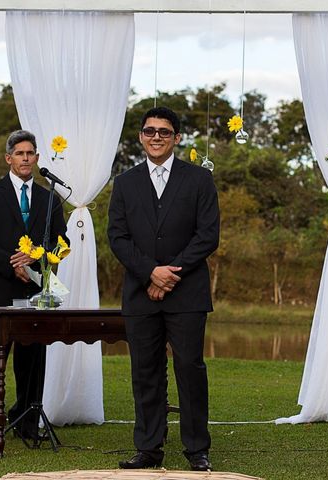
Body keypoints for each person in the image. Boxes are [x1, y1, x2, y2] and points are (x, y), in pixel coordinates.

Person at [108, 107, 220, 471]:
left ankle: (196, 449)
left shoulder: (200, 180)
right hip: (141, 292)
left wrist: (170, 274)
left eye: (164, 132)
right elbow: (118, 237)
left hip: (187, 293)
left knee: (190, 368)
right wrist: (149, 274)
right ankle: (149, 448)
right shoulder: (124, 183)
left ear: (176, 138)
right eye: (150, 131)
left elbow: (208, 236)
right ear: (141, 137)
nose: (156, 137)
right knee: (145, 372)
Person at [0, 129, 68, 440]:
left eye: (31, 153)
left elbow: (59, 242)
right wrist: (12, 264)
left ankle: (26, 421)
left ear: (37, 159)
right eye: (20, 153)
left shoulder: (50, 199)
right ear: (8, 158)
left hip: (35, 292)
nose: (26, 158)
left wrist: (36, 261)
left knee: (32, 361)